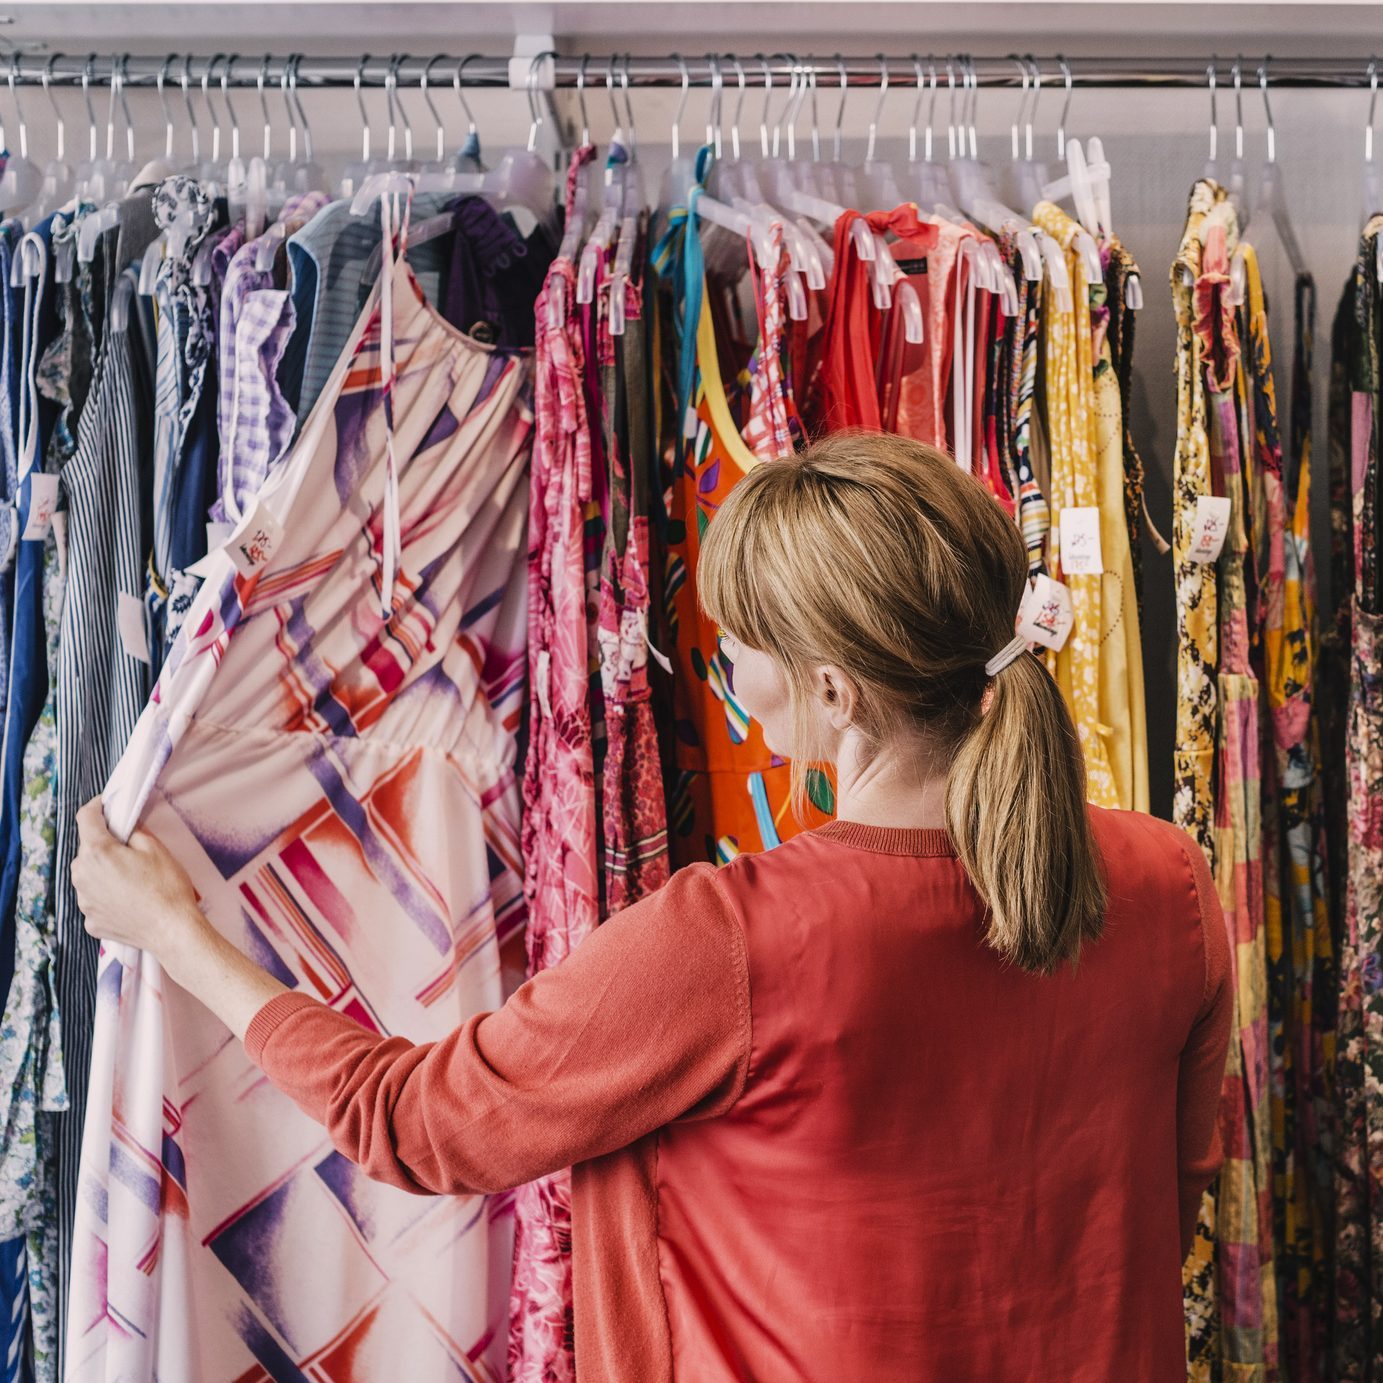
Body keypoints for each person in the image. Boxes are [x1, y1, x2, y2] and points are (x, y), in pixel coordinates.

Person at [73, 431, 1231, 1382]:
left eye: (740, 647)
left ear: (834, 690)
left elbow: (419, 1124)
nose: (729, 675)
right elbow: (1159, 1221)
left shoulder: (737, 941)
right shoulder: (1169, 884)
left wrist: (181, 934)